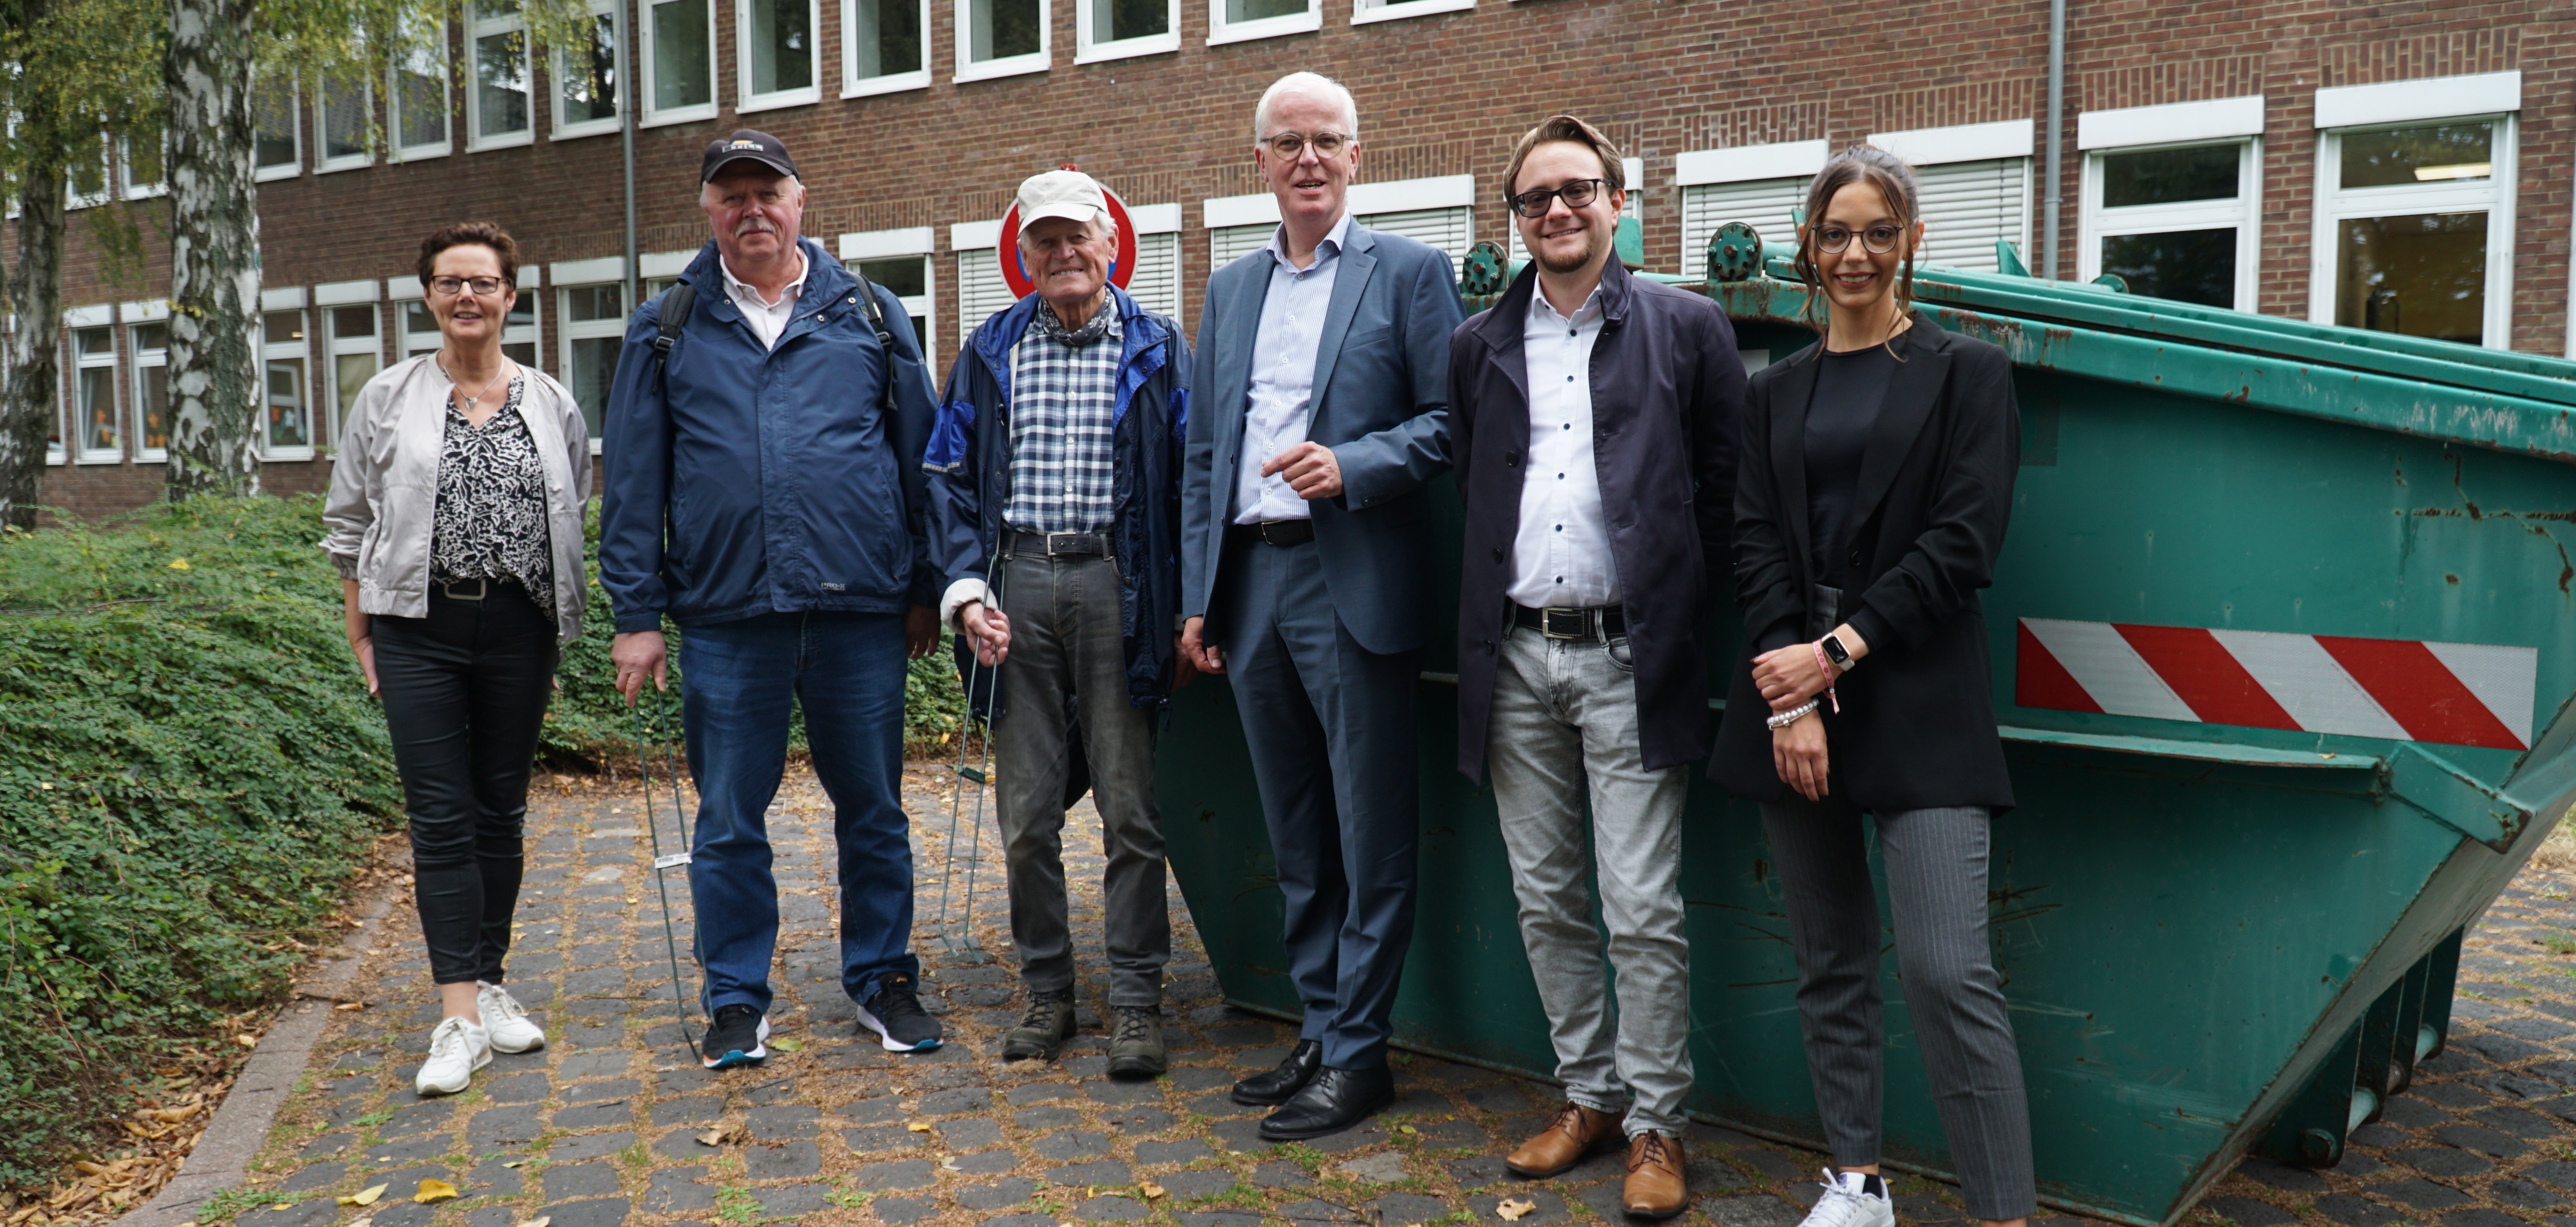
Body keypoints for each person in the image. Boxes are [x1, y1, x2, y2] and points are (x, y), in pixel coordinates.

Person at [1709, 146, 2032, 1227]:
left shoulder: (1967, 373)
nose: (1856, 254)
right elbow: (1753, 546)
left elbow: (1963, 543)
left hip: (1920, 692)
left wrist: (1836, 652)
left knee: (1948, 972)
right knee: (1830, 960)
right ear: (1808, 245)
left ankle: (2001, 1210)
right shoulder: (1772, 393)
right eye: (1837, 233)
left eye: (1878, 233)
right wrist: (1793, 700)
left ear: (1913, 243)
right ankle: (1857, 1184)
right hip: (1797, 707)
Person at [1446, 116, 1744, 1218]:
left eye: (1578, 191)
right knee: (1546, 898)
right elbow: (1476, 489)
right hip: (1517, 653)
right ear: (1514, 221)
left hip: (1632, 653)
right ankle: (1592, 1095)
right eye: (1535, 200)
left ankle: (1660, 1121)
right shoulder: (1479, 342)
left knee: (1642, 904)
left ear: (1621, 200)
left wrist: (1681, 608)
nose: (1558, 212)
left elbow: (1724, 488)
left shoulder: (1686, 327)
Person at [599, 129, 946, 1069]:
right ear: (709, 213)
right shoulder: (665, 324)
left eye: (769, 192)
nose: (752, 210)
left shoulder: (869, 312)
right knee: (727, 819)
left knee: (873, 809)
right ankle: (737, 998)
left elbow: (923, 459)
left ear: (802, 201)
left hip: (860, 614)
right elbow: (634, 481)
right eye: (731, 196)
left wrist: (925, 587)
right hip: (725, 618)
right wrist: (636, 616)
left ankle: (883, 978)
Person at [1179, 70, 1465, 1141]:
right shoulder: (1228, 289)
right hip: (1252, 583)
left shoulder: (1410, 273)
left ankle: (1361, 1053)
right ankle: (1321, 1019)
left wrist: (1354, 463)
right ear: (1260, 162)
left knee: (1370, 826)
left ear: (1358, 156)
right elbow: (1207, 450)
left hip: (1352, 578)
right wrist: (1197, 598)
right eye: (1287, 142)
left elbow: (1450, 422)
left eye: (1326, 140)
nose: (1308, 158)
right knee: (1298, 829)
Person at [924, 169, 1192, 1077]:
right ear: (1024, 254)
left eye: (1079, 236)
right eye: (1046, 239)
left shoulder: (1159, 347)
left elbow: (1192, 483)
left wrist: (1190, 605)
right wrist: (966, 591)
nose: (1064, 253)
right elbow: (947, 478)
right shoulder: (991, 348)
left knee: (1130, 809)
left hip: (1120, 583)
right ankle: (1048, 992)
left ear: (1110, 244)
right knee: (1028, 816)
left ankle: (1135, 1001)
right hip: (1019, 584)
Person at [322, 222, 591, 1096]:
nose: (468, 297)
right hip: (417, 627)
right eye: (451, 283)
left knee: (500, 810)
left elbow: (574, 502)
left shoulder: (550, 400)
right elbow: (351, 520)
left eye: (484, 282)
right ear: (431, 297)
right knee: (440, 816)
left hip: (520, 628)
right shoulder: (390, 397)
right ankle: (459, 1020)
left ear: (512, 296)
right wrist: (361, 628)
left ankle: (491, 980)